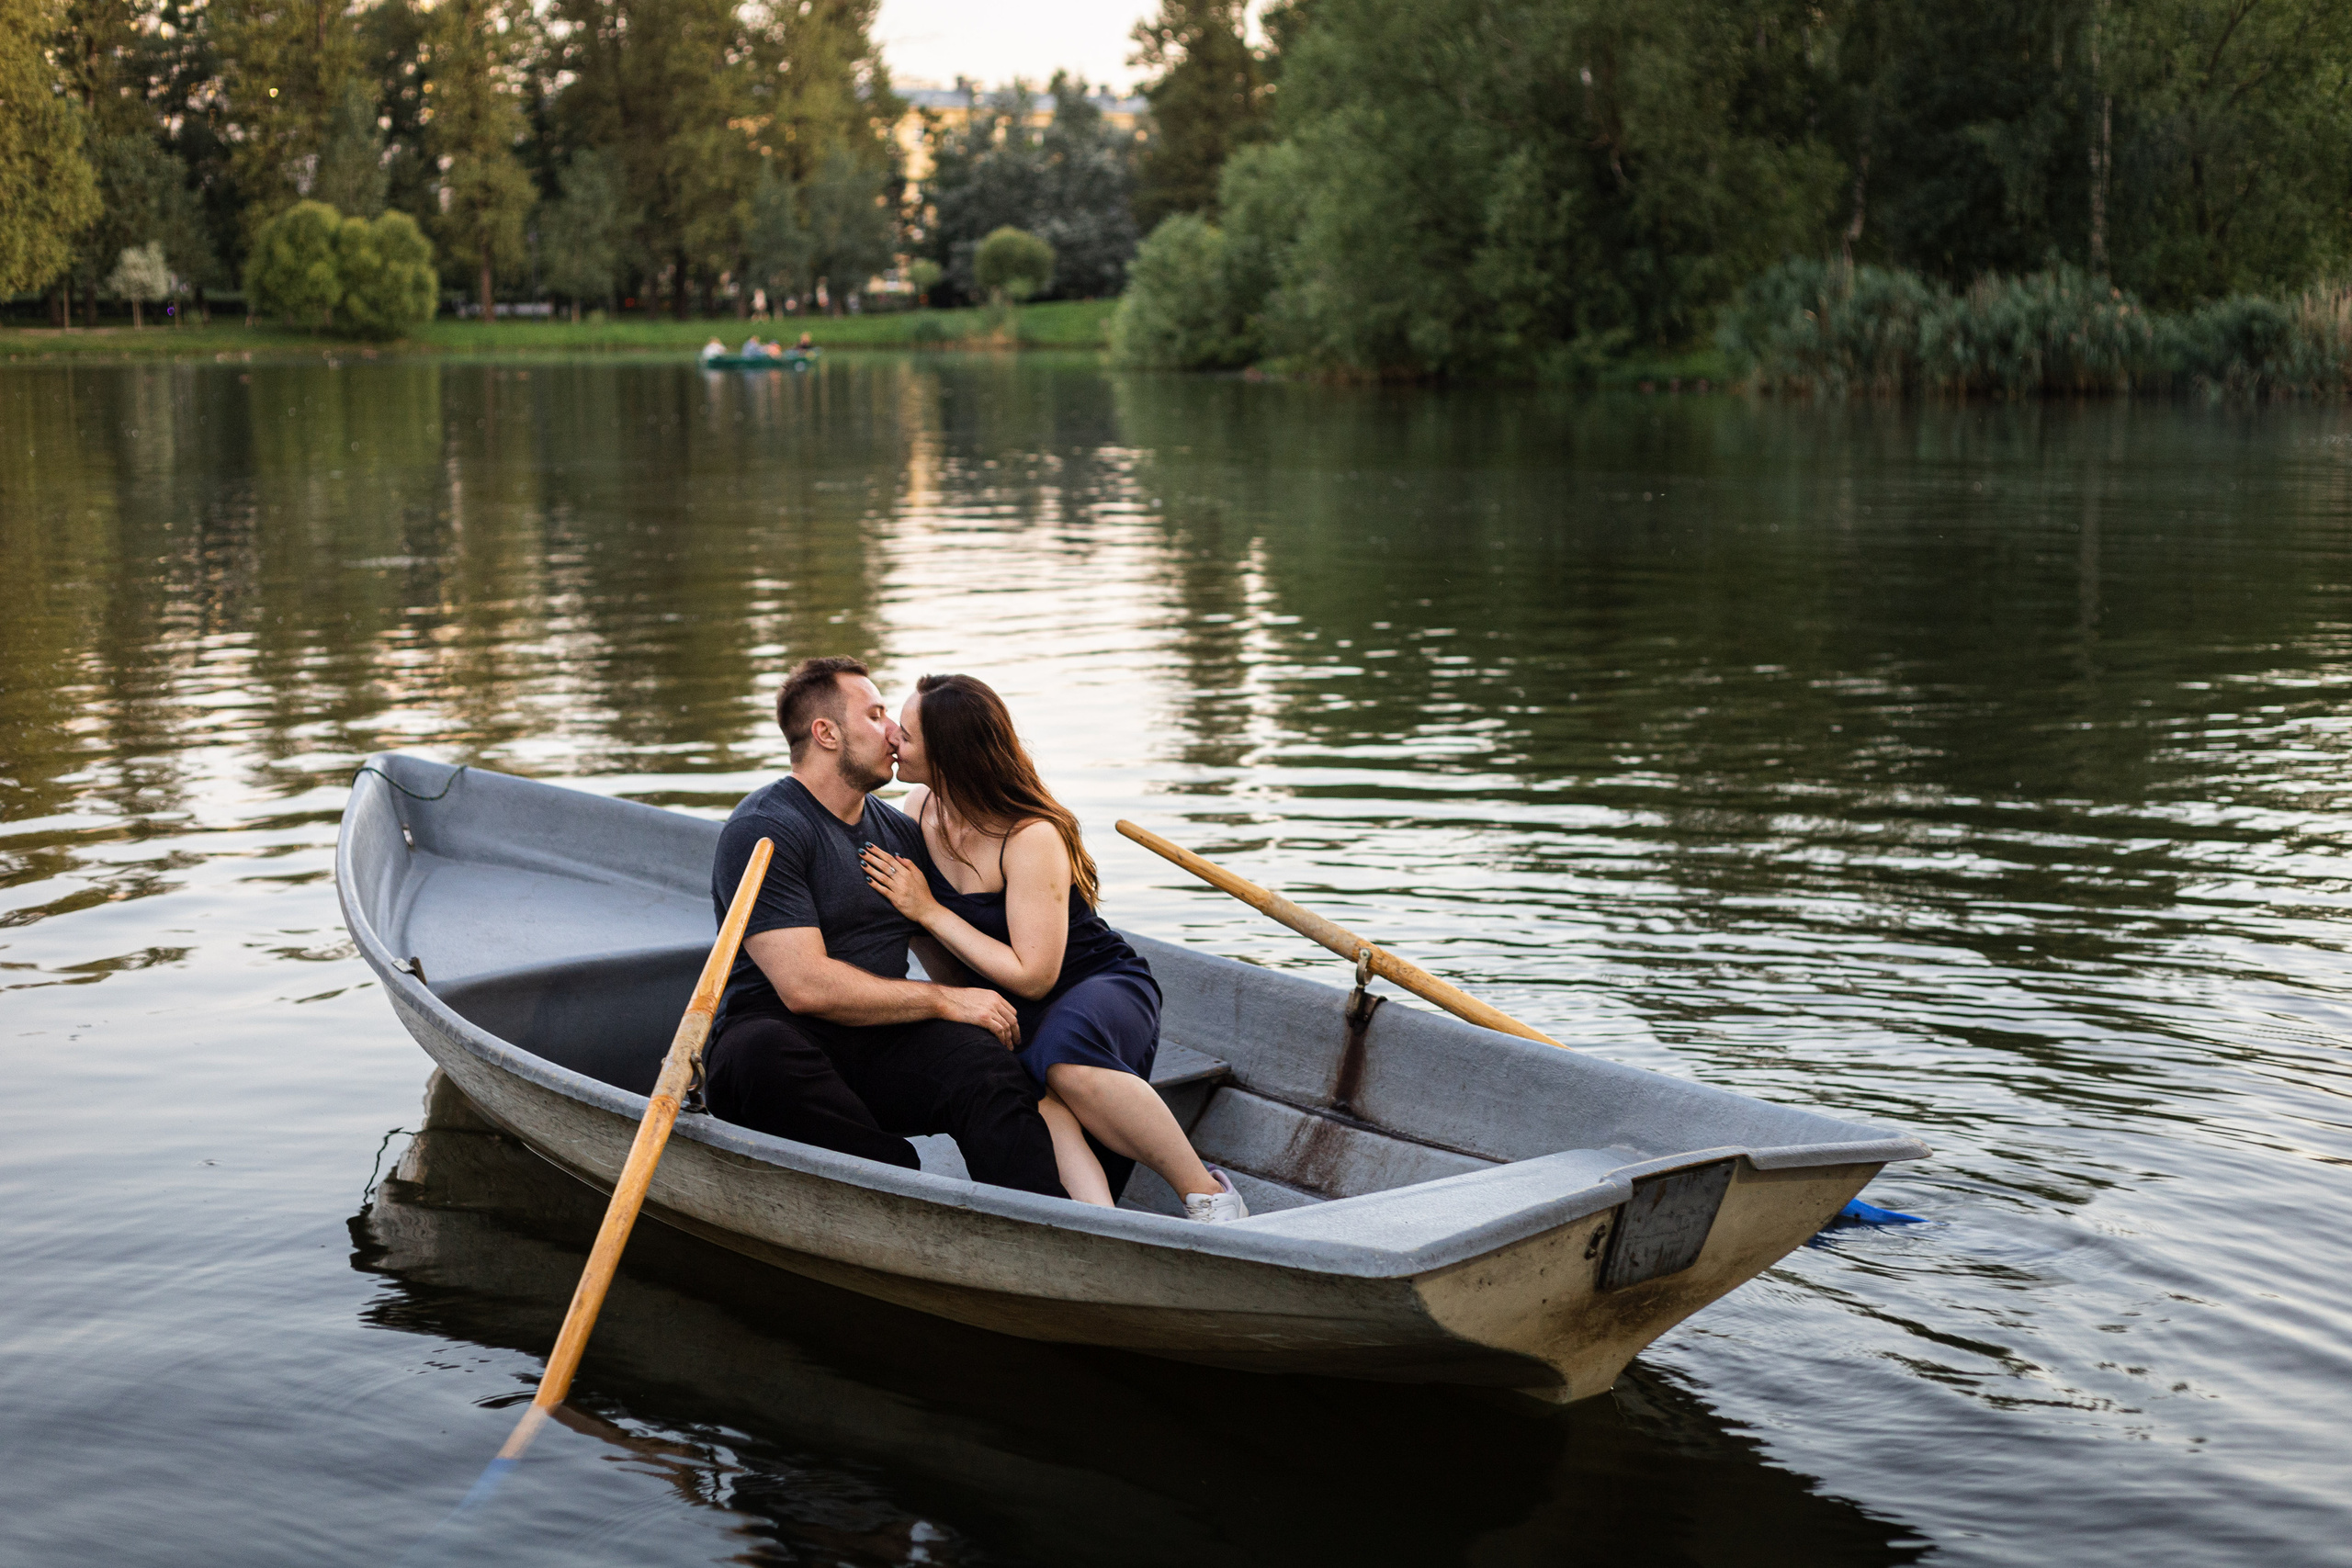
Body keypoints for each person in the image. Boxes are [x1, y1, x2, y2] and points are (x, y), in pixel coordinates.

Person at [861, 673, 1249, 1223]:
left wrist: (927, 909)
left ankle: (1211, 1196)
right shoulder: (919, 808)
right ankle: (1102, 1226)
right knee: (1027, 1083)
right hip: (1014, 1000)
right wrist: (927, 947)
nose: (894, 737)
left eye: (909, 731)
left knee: (1061, 1062)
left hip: (1094, 984)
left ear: (949, 754)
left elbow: (1036, 976)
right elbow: (951, 958)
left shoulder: (1030, 835)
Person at [701, 657, 1065, 1198]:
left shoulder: (897, 831)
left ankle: (1045, 1221)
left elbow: (939, 956)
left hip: (879, 1038)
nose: (895, 731)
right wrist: (943, 1002)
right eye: (874, 716)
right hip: (779, 1034)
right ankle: (893, 1183)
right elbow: (804, 988)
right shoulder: (766, 829)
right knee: (761, 1057)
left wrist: (996, 1016)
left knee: (981, 1062)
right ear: (826, 734)